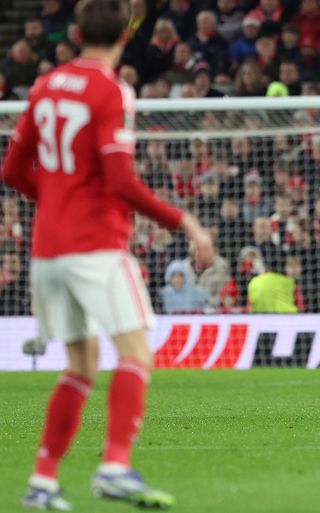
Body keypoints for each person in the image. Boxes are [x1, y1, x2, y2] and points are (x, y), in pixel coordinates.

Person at [1, 0, 214, 509]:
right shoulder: (111, 89)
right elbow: (120, 180)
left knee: (80, 366)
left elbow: (11, 170)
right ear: (126, 34)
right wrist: (184, 221)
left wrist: (56, 198)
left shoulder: (44, 85)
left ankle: (43, 481)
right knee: (136, 353)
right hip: (94, 244)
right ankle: (115, 466)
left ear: (75, 34)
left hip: (47, 251)